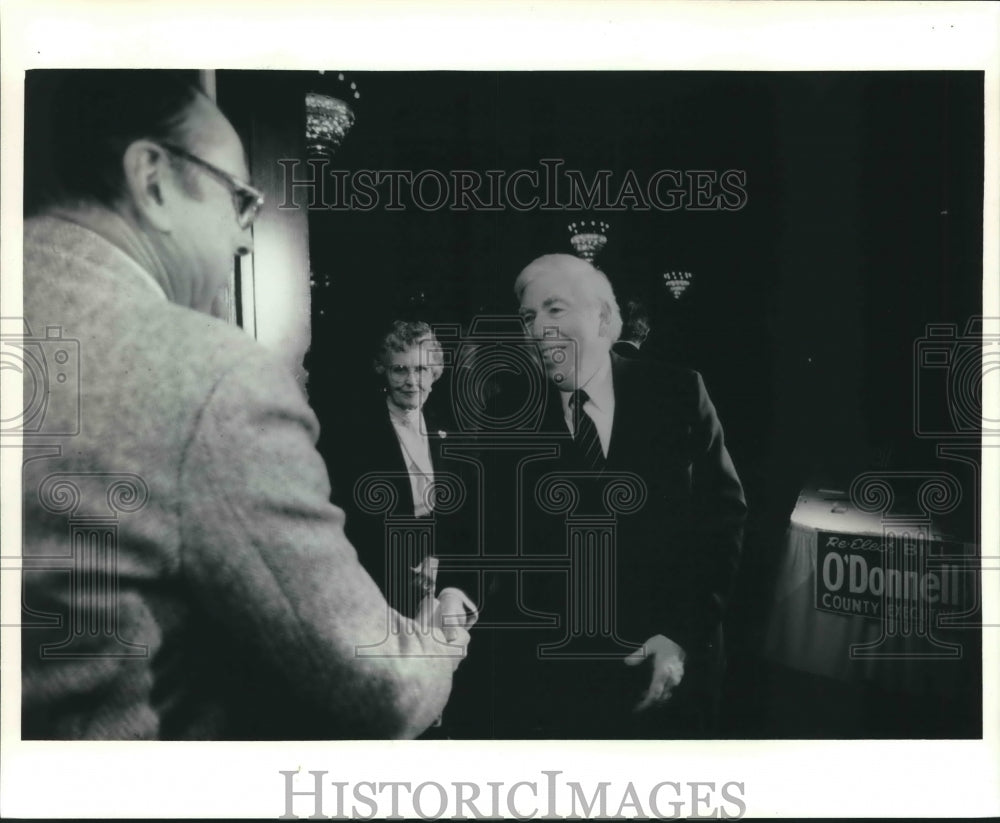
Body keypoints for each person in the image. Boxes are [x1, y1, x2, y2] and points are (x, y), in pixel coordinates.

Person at [19, 70, 468, 740]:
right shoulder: (211, 375)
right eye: (240, 199)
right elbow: (384, 689)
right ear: (152, 178)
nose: (244, 237)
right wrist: (441, 638)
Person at [499, 253, 747, 738]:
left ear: (604, 318)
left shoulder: (677, 393)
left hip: (669, 661)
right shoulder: (512, 412)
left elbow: (723, 521)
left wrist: (680, 635)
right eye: (528, 317)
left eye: (555, 309)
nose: (538, 329)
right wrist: (455, 594)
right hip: (561, 681)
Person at [321, 320, 478, 628]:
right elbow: (350, 524)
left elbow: (464, 522)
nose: (411, 381)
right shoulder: (356, 435)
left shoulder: (452, 433)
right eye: (400, 370)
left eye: (420, 370)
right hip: (378, 586)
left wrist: (440, 570)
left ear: (434, 372)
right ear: (384, 371)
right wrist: (403, 571)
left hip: (442, 585)